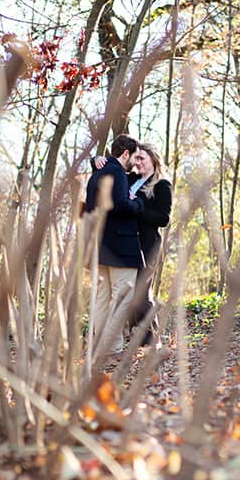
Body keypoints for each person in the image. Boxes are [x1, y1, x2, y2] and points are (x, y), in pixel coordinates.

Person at [94, 142, 172, 346]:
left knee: (141, 291)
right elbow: (113, 182)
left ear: (153, 160)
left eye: (141, 159)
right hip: (127, 244)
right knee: (128, 291)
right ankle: (138, 336)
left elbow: (163, 218)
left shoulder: (162, 185)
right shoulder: (131, 179)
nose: (137, 162)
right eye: (136, 158)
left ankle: (151, 338)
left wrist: (137, 207)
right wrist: (96, 161)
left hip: (148, 244)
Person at [86, 134, 145, 356]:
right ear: (125, 154)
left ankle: (100, 347)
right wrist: (137, 203)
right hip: (121, 247)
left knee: (103, 299)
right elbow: (120, 205)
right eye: (134, 157)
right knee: (122, 298)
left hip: (100, 247)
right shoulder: (118, 172)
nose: (135, 163)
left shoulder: (96, 174)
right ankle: (113, 348)